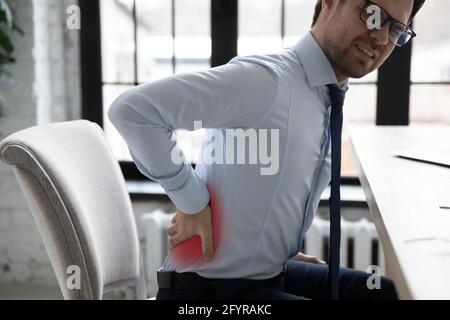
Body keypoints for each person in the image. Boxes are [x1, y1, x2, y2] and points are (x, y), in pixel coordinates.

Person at [108, 0, 425, 300]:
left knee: (380, 292)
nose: (381, 36)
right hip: (204, 292)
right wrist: (191, 201)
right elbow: (133, 111)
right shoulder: (265, 81)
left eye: (396, 28)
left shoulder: (324, 95)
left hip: (267, 272)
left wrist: (275, 252)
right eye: (372, 14)